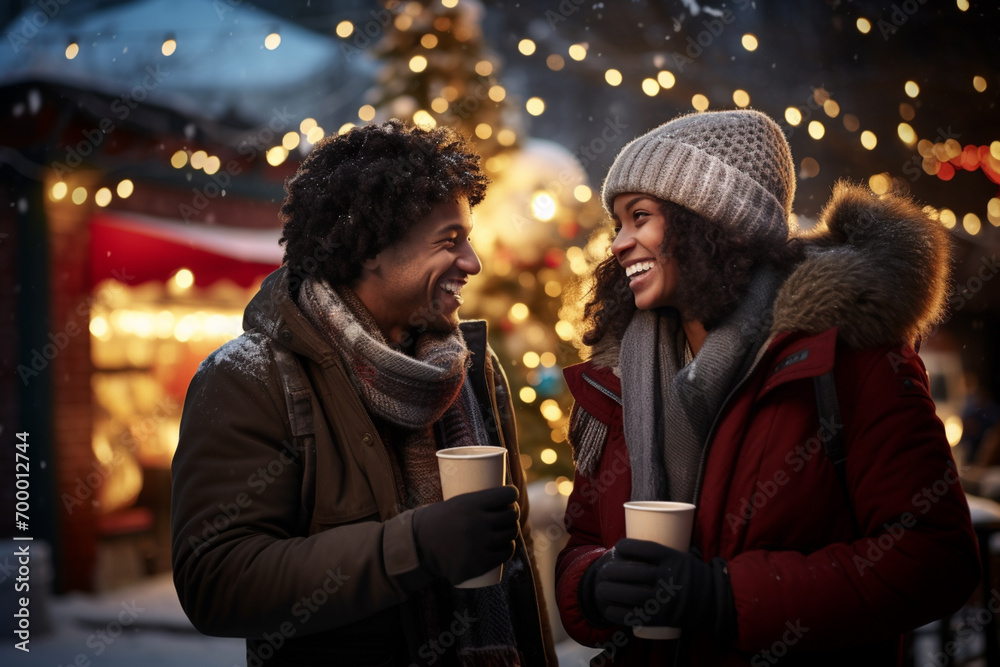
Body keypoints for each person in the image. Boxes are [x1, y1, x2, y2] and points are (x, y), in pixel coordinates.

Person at [555, 109, 980, 666]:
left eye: (640, 217)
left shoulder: (843, 354)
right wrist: (591, 584)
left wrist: (724, 597)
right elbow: (583, 538)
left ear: (707, 219)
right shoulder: (617, 375)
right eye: (618, 224)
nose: (618, 244)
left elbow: (934, 557)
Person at [172, 120, 555, 666]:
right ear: (371, 249)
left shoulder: (470, 368)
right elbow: (215, 581)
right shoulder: (248, 377)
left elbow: (519, 591)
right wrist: (415, 547)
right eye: (450, 241)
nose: (472, 262)